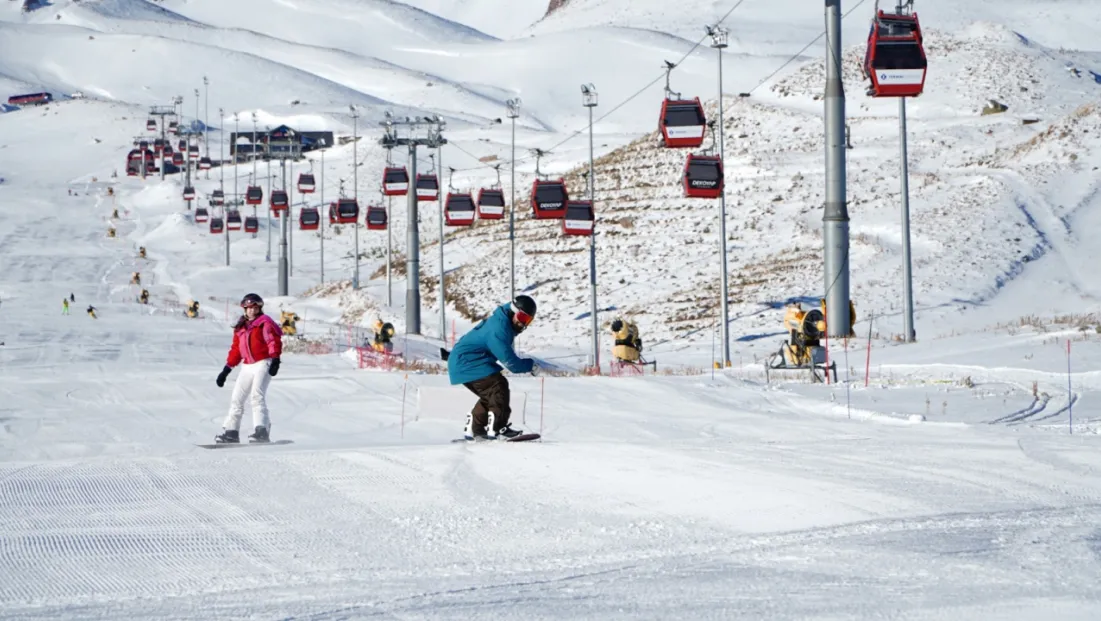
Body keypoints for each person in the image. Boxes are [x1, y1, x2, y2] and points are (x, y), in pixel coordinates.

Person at [447, 295, 538, 440]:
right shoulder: (499, 329)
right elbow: (511, 363)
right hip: (467, 363)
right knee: (498, 386)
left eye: (527, 320)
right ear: (514, 311)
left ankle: (475, 428)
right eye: (522, 318)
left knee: (490, 394)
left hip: (467, 361)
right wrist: (531, 366)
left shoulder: (503, 324)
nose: (523, 324)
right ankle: (497, 428)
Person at [213, 293, 283, 444]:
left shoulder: (264, 323)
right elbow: (236, 350)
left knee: (256, 396)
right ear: (244, 309)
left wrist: (276, 359)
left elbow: (272, 341)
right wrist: (226, 370)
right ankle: (231, 432)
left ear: (259, 308)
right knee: (236, 399)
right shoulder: (240, 327)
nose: (251, 310)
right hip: (247, 366)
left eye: (255, 307)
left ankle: (261, 430)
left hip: (263, 362)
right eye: (249, 308)